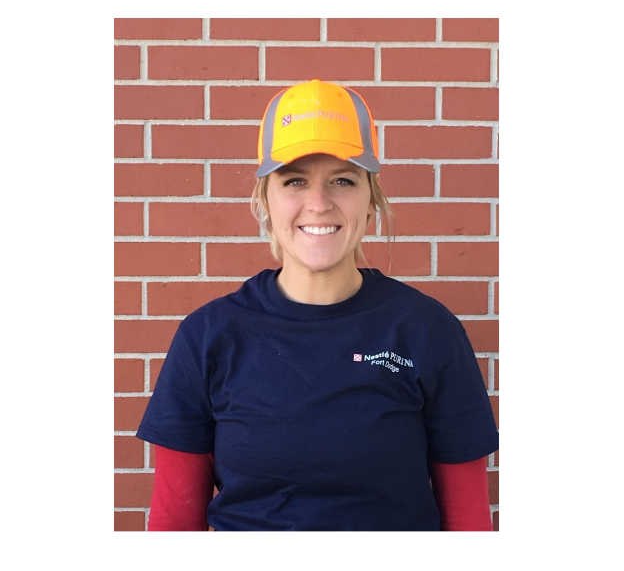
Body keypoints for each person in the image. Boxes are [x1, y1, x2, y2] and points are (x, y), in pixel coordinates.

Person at [136, 79, 500, 532]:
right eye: (294, 181)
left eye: (343, 180)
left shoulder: (427, 330)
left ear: (371, 201)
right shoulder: (208, 336)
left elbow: (467, 513)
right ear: (264, 201)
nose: (318, 203)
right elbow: (175, 515)